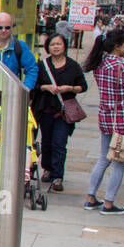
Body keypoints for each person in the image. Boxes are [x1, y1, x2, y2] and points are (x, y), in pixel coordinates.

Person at [82, 29, 124, 215]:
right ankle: (109, 203)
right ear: (118, 46)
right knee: (120, 160)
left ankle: (91, 197)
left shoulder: (100, 63)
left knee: (103, 158)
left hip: (107, 117)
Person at [32, 32, 88, 193]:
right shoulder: (42, 66)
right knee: (47, 142)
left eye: (58, 44)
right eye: (52, 44)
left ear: (64, 46)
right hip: (46, 110)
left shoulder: (73, 66)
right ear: (48, 47)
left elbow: (83, 86)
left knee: (59, 143)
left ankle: (58, 176)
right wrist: (45, 87)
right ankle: (47, 168)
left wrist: (69, 88)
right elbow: (34, 86)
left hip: (64, 112)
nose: (55, 47)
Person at [0, 13, 38, 90]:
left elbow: (32, 68)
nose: (3, 30)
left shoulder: (20, 46)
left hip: (11, 95)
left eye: (7, 27)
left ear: (12, 27)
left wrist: (26, 88)